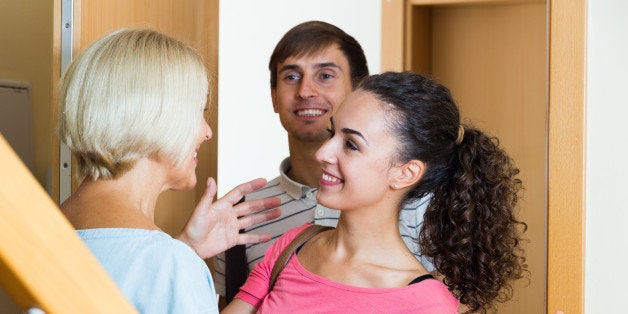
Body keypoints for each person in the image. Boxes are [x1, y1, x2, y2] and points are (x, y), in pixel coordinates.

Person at [223, 71, 527, 313]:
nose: (323, 153)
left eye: (351, 144)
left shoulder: (425, 304)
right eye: (333, 133)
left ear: (404, 173)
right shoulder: (294, 245)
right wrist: (187, 250)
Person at [57, 28, 281, 313]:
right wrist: (177, 263)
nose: (207, 132)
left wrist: (183, 250)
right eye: (199, 111)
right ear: (159, 116)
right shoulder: (168, 264)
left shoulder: (40, 235)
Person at [213, 20, 434, 303]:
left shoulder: (421, 208)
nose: (306, 91)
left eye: (325, 75)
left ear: (358, 90)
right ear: (273, 98)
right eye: (291, 77)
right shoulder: (241, 216)